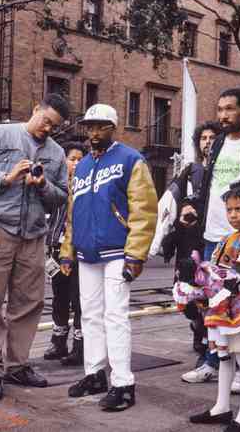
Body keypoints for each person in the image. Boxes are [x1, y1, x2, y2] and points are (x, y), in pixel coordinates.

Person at [0, 93, 69, 400]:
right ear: (35, 109)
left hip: (33, 235)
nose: (48, 128)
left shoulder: (57, 153)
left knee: (29, 303)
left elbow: (61, 195)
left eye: (55, 126)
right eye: (46, 120)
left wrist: (43, 186)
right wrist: (7, 177)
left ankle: (17, 365)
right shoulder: (1, 134)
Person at [60, 103, 158, 411]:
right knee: (89, 315)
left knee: (115, 316)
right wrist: (67, 250)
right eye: (89, 126)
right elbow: (73, 212)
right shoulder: (84, 165)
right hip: (87, 252)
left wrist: (136, 254)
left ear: (112, 127)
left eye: (100, 126)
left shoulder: (131, 159)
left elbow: (144, 209)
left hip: (119, 250)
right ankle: (94, 373)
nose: (93, 132)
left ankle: (123, 383)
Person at [180, 89, 240, 384]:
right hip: (212, 236)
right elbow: (209, 185)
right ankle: (213, 362)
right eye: (220, 109)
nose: (223, 115)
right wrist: (193, 209)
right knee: (212, 302)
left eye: (230, 109)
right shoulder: (218, 142)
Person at [184, 186, 240, 432]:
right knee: (224, 355)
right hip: (220, 307)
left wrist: (215, 282)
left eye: (239, 209)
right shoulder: (226, 239)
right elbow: (210, 270)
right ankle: (222, 406)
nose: (233, 215)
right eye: (229, 210)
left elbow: (239, 273)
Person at [150, 121, 219, 361]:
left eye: (212, 137)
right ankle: (197, 326)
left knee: (209, 293)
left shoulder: (222, 171)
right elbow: (169, 202)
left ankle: (207, 339)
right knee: (187, 295)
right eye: (203, 138)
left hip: (212, 239)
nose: (207, 142)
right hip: (188, 241)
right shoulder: (190, 171)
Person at [44, 141, 86, 365]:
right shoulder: (56, 186)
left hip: (78, 251)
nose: (76, 163)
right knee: (59, 297)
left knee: (78, 298)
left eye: (80, 159)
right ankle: (58, 341)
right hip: (55, 250)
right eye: (72, 159)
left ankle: (79, 347)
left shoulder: (86, 187)